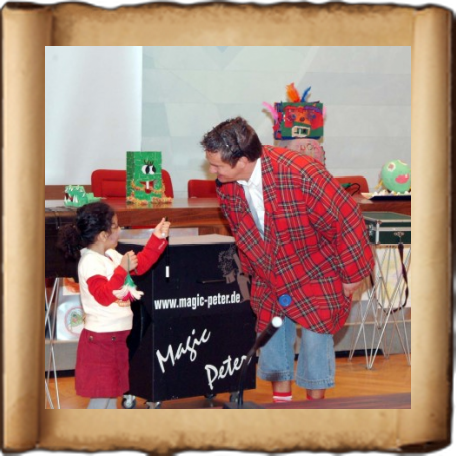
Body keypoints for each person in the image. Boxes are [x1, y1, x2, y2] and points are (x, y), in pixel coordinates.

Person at [200, 116, 374, 402]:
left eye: (217, 165)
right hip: (269, 270)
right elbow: (242, 230)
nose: (212, 170)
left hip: (317, 268)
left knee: (316, 344)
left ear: (242, 160)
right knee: (273, 345)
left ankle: (313, 412)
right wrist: (252, 272)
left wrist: (352, 275)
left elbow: (347, 219)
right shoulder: (227, 183)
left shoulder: (302, 173)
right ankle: (282, 409)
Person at [57, 201, 171, 409]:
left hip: (116, 338)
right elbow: (103, 295)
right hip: (100, 342)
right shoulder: (90, 262)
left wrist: (157, 238)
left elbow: (140, 265)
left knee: (111, 395)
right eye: (116, 226)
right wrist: (122, 269)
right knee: (101, 398)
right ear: (103, 235)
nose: (119, 230)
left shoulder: (110, 255)